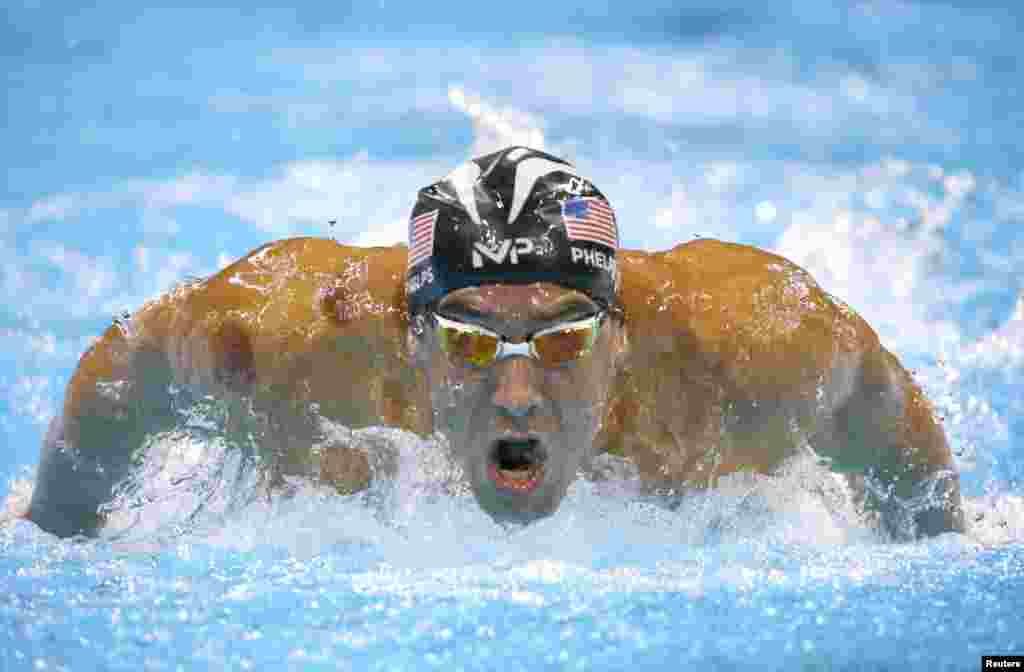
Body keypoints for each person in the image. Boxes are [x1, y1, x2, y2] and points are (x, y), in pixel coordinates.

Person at [25, 146, 965, 539]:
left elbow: (896, 438)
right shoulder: (279, 349)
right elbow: (121, 374)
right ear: (411, 334)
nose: (516, 391)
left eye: (563, 336)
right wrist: (54, 534)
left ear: (622, 335)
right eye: (472, 340)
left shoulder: (761, 355)